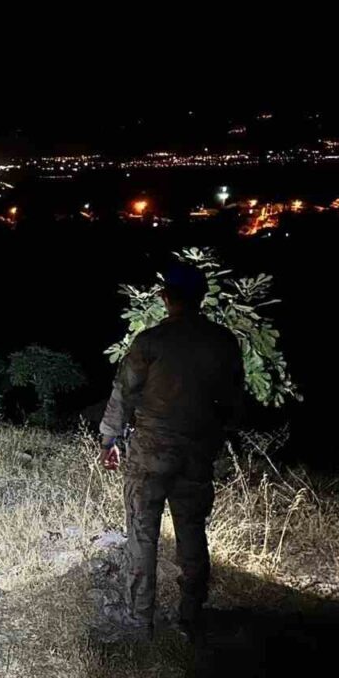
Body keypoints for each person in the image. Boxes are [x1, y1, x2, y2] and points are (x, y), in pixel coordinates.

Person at [98, 263, 244, 639]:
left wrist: (109, 438)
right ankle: (190, 616)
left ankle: (139, 619)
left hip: (150, 451)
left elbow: (124, 392)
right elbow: (232, 402)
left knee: (142, 533)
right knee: (193, 532)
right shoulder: (223, 343)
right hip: (196, 452)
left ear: (166, 297)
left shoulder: (150, 342)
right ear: (202, 297)